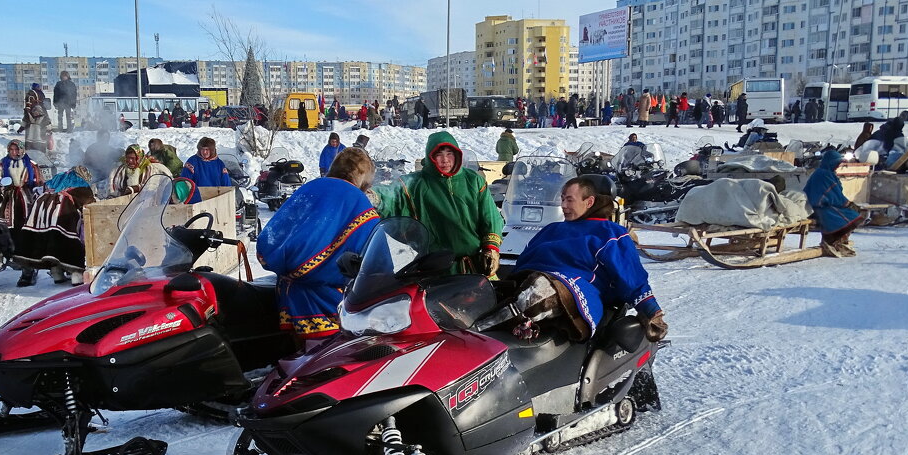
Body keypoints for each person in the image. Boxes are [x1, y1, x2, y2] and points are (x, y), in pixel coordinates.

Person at [495, 176, 667, 343]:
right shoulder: (551, 229)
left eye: (570, 200)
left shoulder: (609, 232)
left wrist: (651, 310)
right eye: (562, 199)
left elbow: (630, 274)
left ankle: (491, 323)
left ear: (589, 202)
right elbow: (524, 260)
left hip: (570, 290)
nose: (563, 205)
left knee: (541, 289)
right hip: (530, 281)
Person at [257, 147, 381, 343]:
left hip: (289, 292)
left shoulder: (310, 187)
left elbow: (274, 234)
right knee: (330, 358)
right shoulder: (356, 200)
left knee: (300, 353)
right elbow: (373, 248)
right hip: (327, 297)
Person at [371, 131, 503, 276]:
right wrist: (373, 196)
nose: (445, 160)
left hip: (474, 267)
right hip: (435, 270)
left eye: (449, 153)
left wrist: (491, 249)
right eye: (439, 154)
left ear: (457, 155)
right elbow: (391, 194)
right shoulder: (415, 183)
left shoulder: (473, 180)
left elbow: (490, 217)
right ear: (430, 157)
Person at [15, 167, 95, 286]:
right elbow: (90, 204)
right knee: (70, 239)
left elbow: (38, 190)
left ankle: (56, 272)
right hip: (64, 211)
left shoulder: (59, 178)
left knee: (51, 240)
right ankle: (76, 274)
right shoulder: (82, 186)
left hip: (42, 210)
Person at [804, 149, 864, 258]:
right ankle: (832, 241)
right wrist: (847, 203)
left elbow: (835, 193)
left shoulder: (827, 173)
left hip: (825, 205)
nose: (838, 166)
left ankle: (837, 240)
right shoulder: (824, 174)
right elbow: (832, 194)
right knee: (851, 217)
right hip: (820, 207)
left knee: (851, 215)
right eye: (836, 163)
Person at [0, 140, 41, 230]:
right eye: (11, 149)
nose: (14, 152)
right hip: (8, 195)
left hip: (26, 194)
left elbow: (38, 180)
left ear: (22, 150)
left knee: (27, 216)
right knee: (8, 217)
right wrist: (3, 184)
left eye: (16, 149)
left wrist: (33, 187)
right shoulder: (2, 163)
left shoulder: (31, 164)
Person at [83, 131, 122, 196]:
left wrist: (121, 152)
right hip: (94, 175)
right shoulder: (91, 148)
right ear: (98, 138)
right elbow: (86, 163)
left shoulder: (110, 149)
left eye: (107, 138)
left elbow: (119, 156)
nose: (105, 140)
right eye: (103, 138)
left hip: (107, 176)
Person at [21, 89, 51, 154]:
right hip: (34, 138)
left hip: (36, 138)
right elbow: (47, 122)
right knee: (32, 152)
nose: (36, 113)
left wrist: (49, 130)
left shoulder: (28, 111)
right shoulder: (30, 110)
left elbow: (47, 122)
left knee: (38, 151)